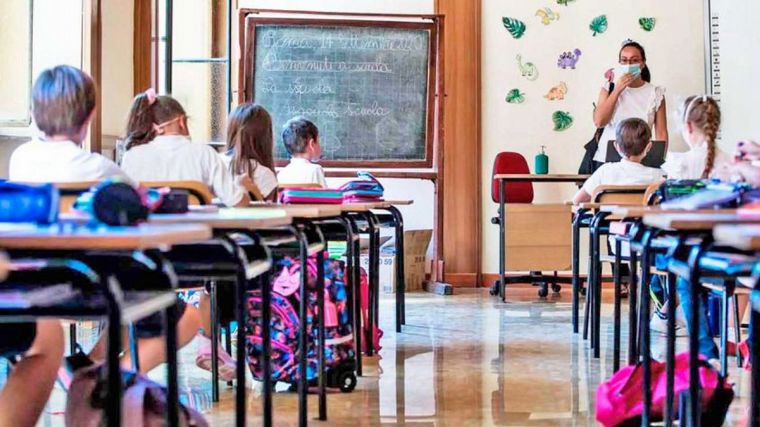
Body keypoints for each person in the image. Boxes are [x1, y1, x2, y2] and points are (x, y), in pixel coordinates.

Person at [121, 90, 250, 207]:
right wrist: (240, 186)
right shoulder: (204, 154)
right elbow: (237, 202)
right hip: (197, 226)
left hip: (146, 226)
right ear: (181, 121)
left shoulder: (131, 156)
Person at [9, 65, 131, 183]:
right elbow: (139, 194)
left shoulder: (19, 158)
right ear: (91, 114)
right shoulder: (100, 168)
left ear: (34, 114)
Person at [591, 40, 668, 171]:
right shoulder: (608, 88)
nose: (628, 65)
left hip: (643, 161)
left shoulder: (655, 93)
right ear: (619, 63)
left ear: (642, 63)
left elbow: (661, 132)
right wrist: (618, 89)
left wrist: (660, 161)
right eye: (624, 60)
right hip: (607, 161)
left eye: (634, 60)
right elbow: (599, 121)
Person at [574, 118, 665, 205]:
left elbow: (577, 201)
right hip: (644, 216)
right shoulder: (659, 176)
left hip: (609, 216)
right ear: (649, 147)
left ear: (616, 146)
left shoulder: (605, 171)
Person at [221, 103, 278, 201]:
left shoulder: (213, 164)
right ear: (266, 138)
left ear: (231, 131)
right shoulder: (265, 175)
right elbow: (268, 210)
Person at [277, 117, 327, 187]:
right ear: (312, 144)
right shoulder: (315, 170)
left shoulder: (281, 174)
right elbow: (324, 193)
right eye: (318, 141)